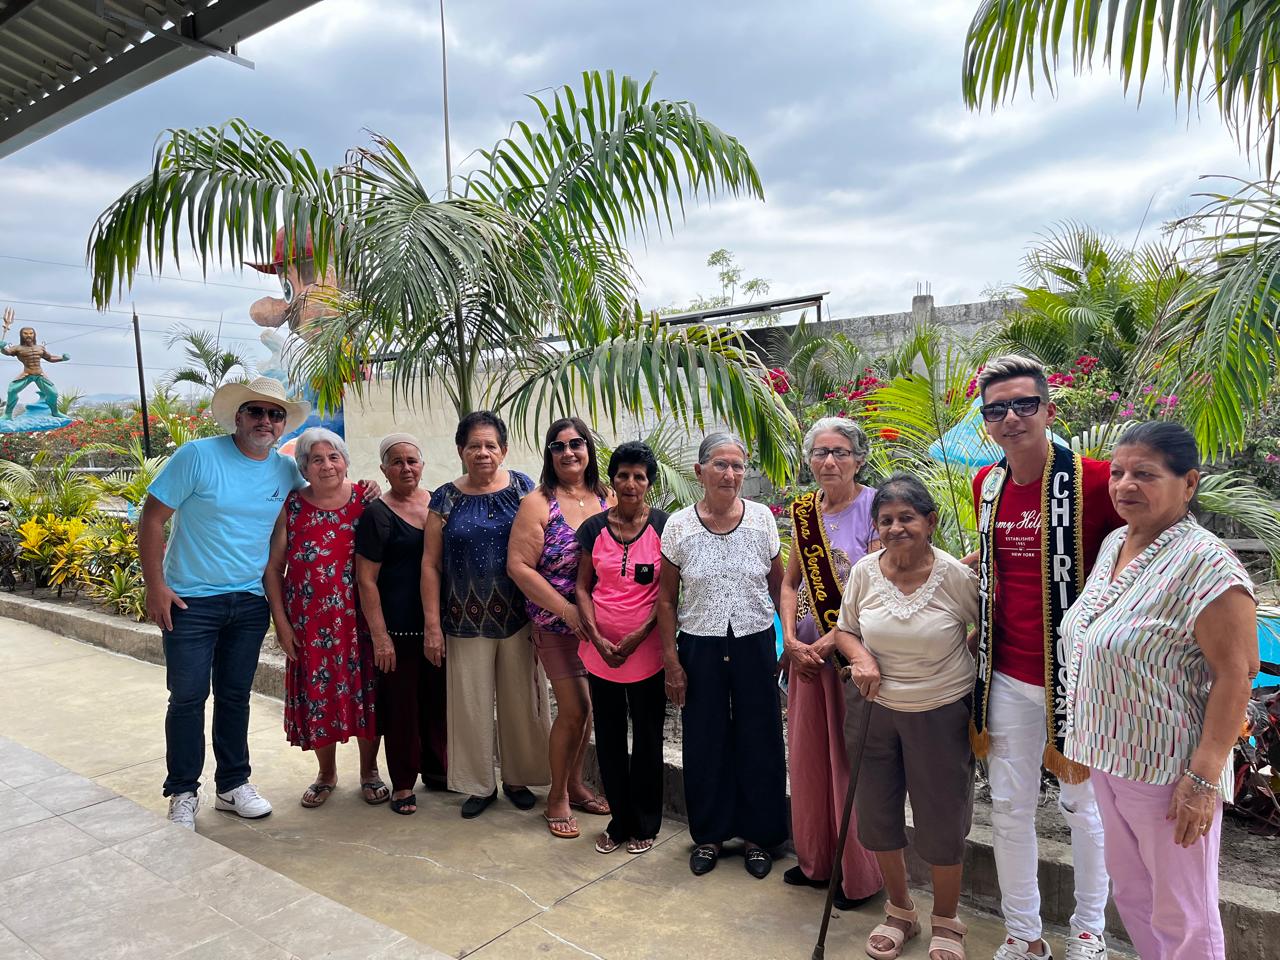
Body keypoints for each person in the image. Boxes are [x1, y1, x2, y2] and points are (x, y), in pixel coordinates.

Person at [1062, 421, 1258, 960]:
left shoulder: (1207, 563)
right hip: (1108, 756)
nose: (1125, 485)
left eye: (1145, 474)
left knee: (1183, 913)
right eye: (1118, 472)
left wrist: (1202, 779)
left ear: (1188, 483)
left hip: (1169, 772)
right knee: (1133, 895)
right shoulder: (1115, 544)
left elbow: (1237, 674)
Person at [971, 355, 1121, 960]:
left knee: (1084, 808)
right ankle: (1023, 934)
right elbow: (994, 566)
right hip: (1005, 674)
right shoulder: (986, 485)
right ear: (986, 421)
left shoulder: (1098, 481)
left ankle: (1088, 931)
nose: (1011, 418)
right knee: (1009, 809)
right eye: (997, 409)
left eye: (1024, 404)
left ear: (1049, 410)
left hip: (1079, 679)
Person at [141, 377, 311, 830]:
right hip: (190, 602)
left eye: (275, 415)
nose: (265, 421)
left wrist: (367, 489)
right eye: (256, 411)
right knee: (188, 698)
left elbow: (323, 493)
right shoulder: (197, 456)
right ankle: (182, 792)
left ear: (282, 425)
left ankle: (233, 785)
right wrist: (155, 586)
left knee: (235, 697)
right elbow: (152, 518)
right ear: (238, 416)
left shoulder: (284, 470)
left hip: (250, 602)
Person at [834, 474, 979, 960]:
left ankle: (947, 920)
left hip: (939, 712)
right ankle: (900, 912)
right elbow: (845, 630)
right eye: (886, 520)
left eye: (907, 518)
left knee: (942, 819)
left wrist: (959, 661)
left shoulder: (955, 576)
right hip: (874, 709)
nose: (895, 528)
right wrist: (861, 658)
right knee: (877, 813)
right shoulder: (864, 572)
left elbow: (986, 627)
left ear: (930, 522)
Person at [656, 432, 788, 879]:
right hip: (700, 644)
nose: (730, 474)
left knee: (760, 737)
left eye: (737, 465)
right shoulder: (679, 526)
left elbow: (779, 586)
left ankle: (759, 837)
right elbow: (666, 600)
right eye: (720, 464)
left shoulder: (762, 519)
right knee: (704, 737)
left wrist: (788, 641)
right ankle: (710, 836)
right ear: (700, 471)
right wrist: (672, 662)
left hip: (754, 641)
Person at [424, 411, 550, 818]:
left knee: (522, 702)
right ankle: (478, 784)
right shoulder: (444, 498)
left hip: (519, 617)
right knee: (470, 705)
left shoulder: (524, 489)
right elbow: (430, 564)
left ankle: (518, 778)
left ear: (504, 450)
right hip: (462, 620)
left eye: (490, 445)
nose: (482, 452)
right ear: (460, 450)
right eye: (474, 445)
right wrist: (432, 626)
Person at [779, 417, 884, 908]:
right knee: (808, 760)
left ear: (859, 459)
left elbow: (879, 589)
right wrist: (790, 642)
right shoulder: (805, 512)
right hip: (805, 663)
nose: (829, 461)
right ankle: (817, 862)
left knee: (848, 764)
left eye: (840, 452)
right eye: (820, 452)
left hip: (849, 661)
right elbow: (790, 583)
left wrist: (827, 643)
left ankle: (858, 876)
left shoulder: (875, 508)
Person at [264, 428, 384, 808]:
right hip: (311, 627)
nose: (327, 465)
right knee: (319, 697)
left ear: (345, 462)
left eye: (334, 457)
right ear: (304, 468)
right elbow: (273, 569)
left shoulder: (366, 501)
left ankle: (369, 771)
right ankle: (326, 774)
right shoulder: (292, 507)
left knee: (367, 696)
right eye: (316, 459)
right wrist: (282, 624)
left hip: (359, 623)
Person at [509, 416, 612, 839]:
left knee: (588, 710)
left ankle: (575, 783)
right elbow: (519, 567)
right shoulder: (538, 503)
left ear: (588, 449)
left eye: (576, 444)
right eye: (558, 446)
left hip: (601, 625)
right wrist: (568, 611)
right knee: (574, 708)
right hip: (556, 623)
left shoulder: (605, 497)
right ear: (549, 455)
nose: (568, 452)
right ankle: (556, 796)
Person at [574, 441, 669, 855]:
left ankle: (646, 822)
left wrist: (638, 635)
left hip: (648, 654)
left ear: (649, 483)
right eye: (623, 475)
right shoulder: (593, 529)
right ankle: (619, 822)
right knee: (610, 738)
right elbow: (582, 587)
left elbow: (669, 594)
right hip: (601, 654)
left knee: (647, 737)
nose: (631, 483)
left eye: (639, 477)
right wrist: (597, 637)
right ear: (612, 479)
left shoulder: (665, 527)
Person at [355, 433, 446, 815]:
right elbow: (366, 580)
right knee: (401, 709)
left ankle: (438, 771)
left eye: (412, 460)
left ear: (422, 465)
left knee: (438, 703)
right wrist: (380, 637)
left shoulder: (439, 504)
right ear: (384, 469)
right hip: (398, 630)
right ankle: (404, 782)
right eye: (397, 462)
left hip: (439, 625)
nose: (406, 468)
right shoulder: (377, 514)